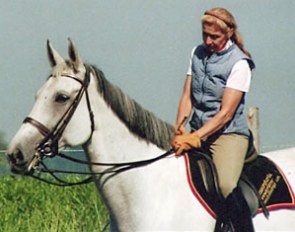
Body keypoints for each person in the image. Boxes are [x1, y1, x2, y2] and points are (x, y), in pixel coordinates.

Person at [171, 7, 255, 232]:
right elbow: (187, 95)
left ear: (228, 34)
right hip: (195, 132)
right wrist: (179, 128)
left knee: (226, 184)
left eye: (214, 37)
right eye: (204, 35)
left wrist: (195, 137)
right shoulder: (196, 53)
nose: (208, 41)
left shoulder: (240, 63)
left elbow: (225, 113)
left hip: (228, 135)